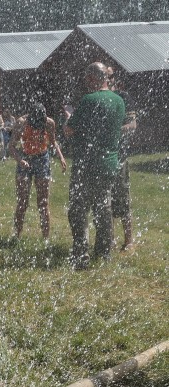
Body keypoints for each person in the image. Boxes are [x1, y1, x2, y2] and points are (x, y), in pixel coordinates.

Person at [64, 62, 125, 270]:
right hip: (109, 164)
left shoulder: (88, 100)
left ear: (92, 78)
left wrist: (69, 118)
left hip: (86, 164)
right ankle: (103, 252)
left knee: (78, 210)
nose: (85, 83)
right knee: (103, 208)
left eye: (86, 79)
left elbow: (69, 130)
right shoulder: (119, 101)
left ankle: (81, 255)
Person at [8, 102, 67, 241]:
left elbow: (53, 141)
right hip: (25, 158)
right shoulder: (21, 123)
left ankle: (45, 240)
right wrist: (20, 160)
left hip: (42, 159)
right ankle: (16, 237)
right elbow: (11, 146)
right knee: (22, 202)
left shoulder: (49, 123)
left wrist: (61, 157)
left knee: (43, 203)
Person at [107, 66, 137, 251]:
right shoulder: (96, 99)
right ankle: (109, 240)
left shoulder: (123, 97)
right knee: (105, 199)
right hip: (101, 157)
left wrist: (113, 131)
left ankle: (129, 240)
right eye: (104, 76)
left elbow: (132, 124)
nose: (107, 79)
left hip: (119, 157)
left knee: (122, 198)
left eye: (109, 76)